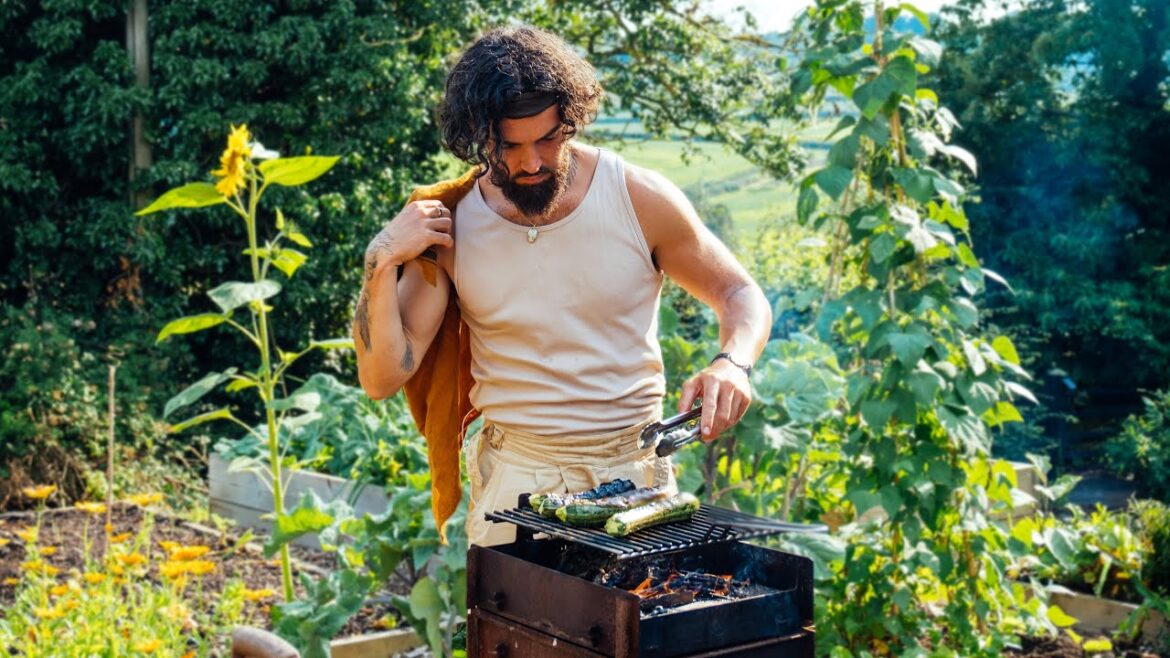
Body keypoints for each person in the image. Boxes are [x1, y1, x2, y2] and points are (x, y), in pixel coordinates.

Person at [353, 25, 771, 546]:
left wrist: (733, 363)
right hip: (514, 477)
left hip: (634, 476)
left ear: (571, 120)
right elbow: (382, 378)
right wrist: (380, 260)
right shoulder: (451, 224)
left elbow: (738, 293)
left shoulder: (638, 198)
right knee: (512, 605)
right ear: (479, 136)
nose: (531, 162)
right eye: (510, 146)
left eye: (548, 139)